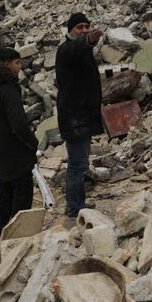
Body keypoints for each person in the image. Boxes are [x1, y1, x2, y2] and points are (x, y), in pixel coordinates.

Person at [0, 47, 37, 241]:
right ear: (6, 64)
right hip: (15, 147)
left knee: (3, 189)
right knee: (22, 191)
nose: (19, 67)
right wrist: (33, 143)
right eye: (17, 63)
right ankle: (17, 238)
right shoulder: (9, 88)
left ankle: (1, 236)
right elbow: (19, 124)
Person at [54, 12, 104, 222]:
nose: (83, 30)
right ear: (70, 30)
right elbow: (75, 50)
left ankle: (78, 203)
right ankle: (74, 208)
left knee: (81, 163)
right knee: (77, 165)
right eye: (79, 27)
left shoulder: (81, 51)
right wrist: (89, 40)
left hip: (82, 117)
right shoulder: (66, 50)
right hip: (75, 119)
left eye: (86, 27)